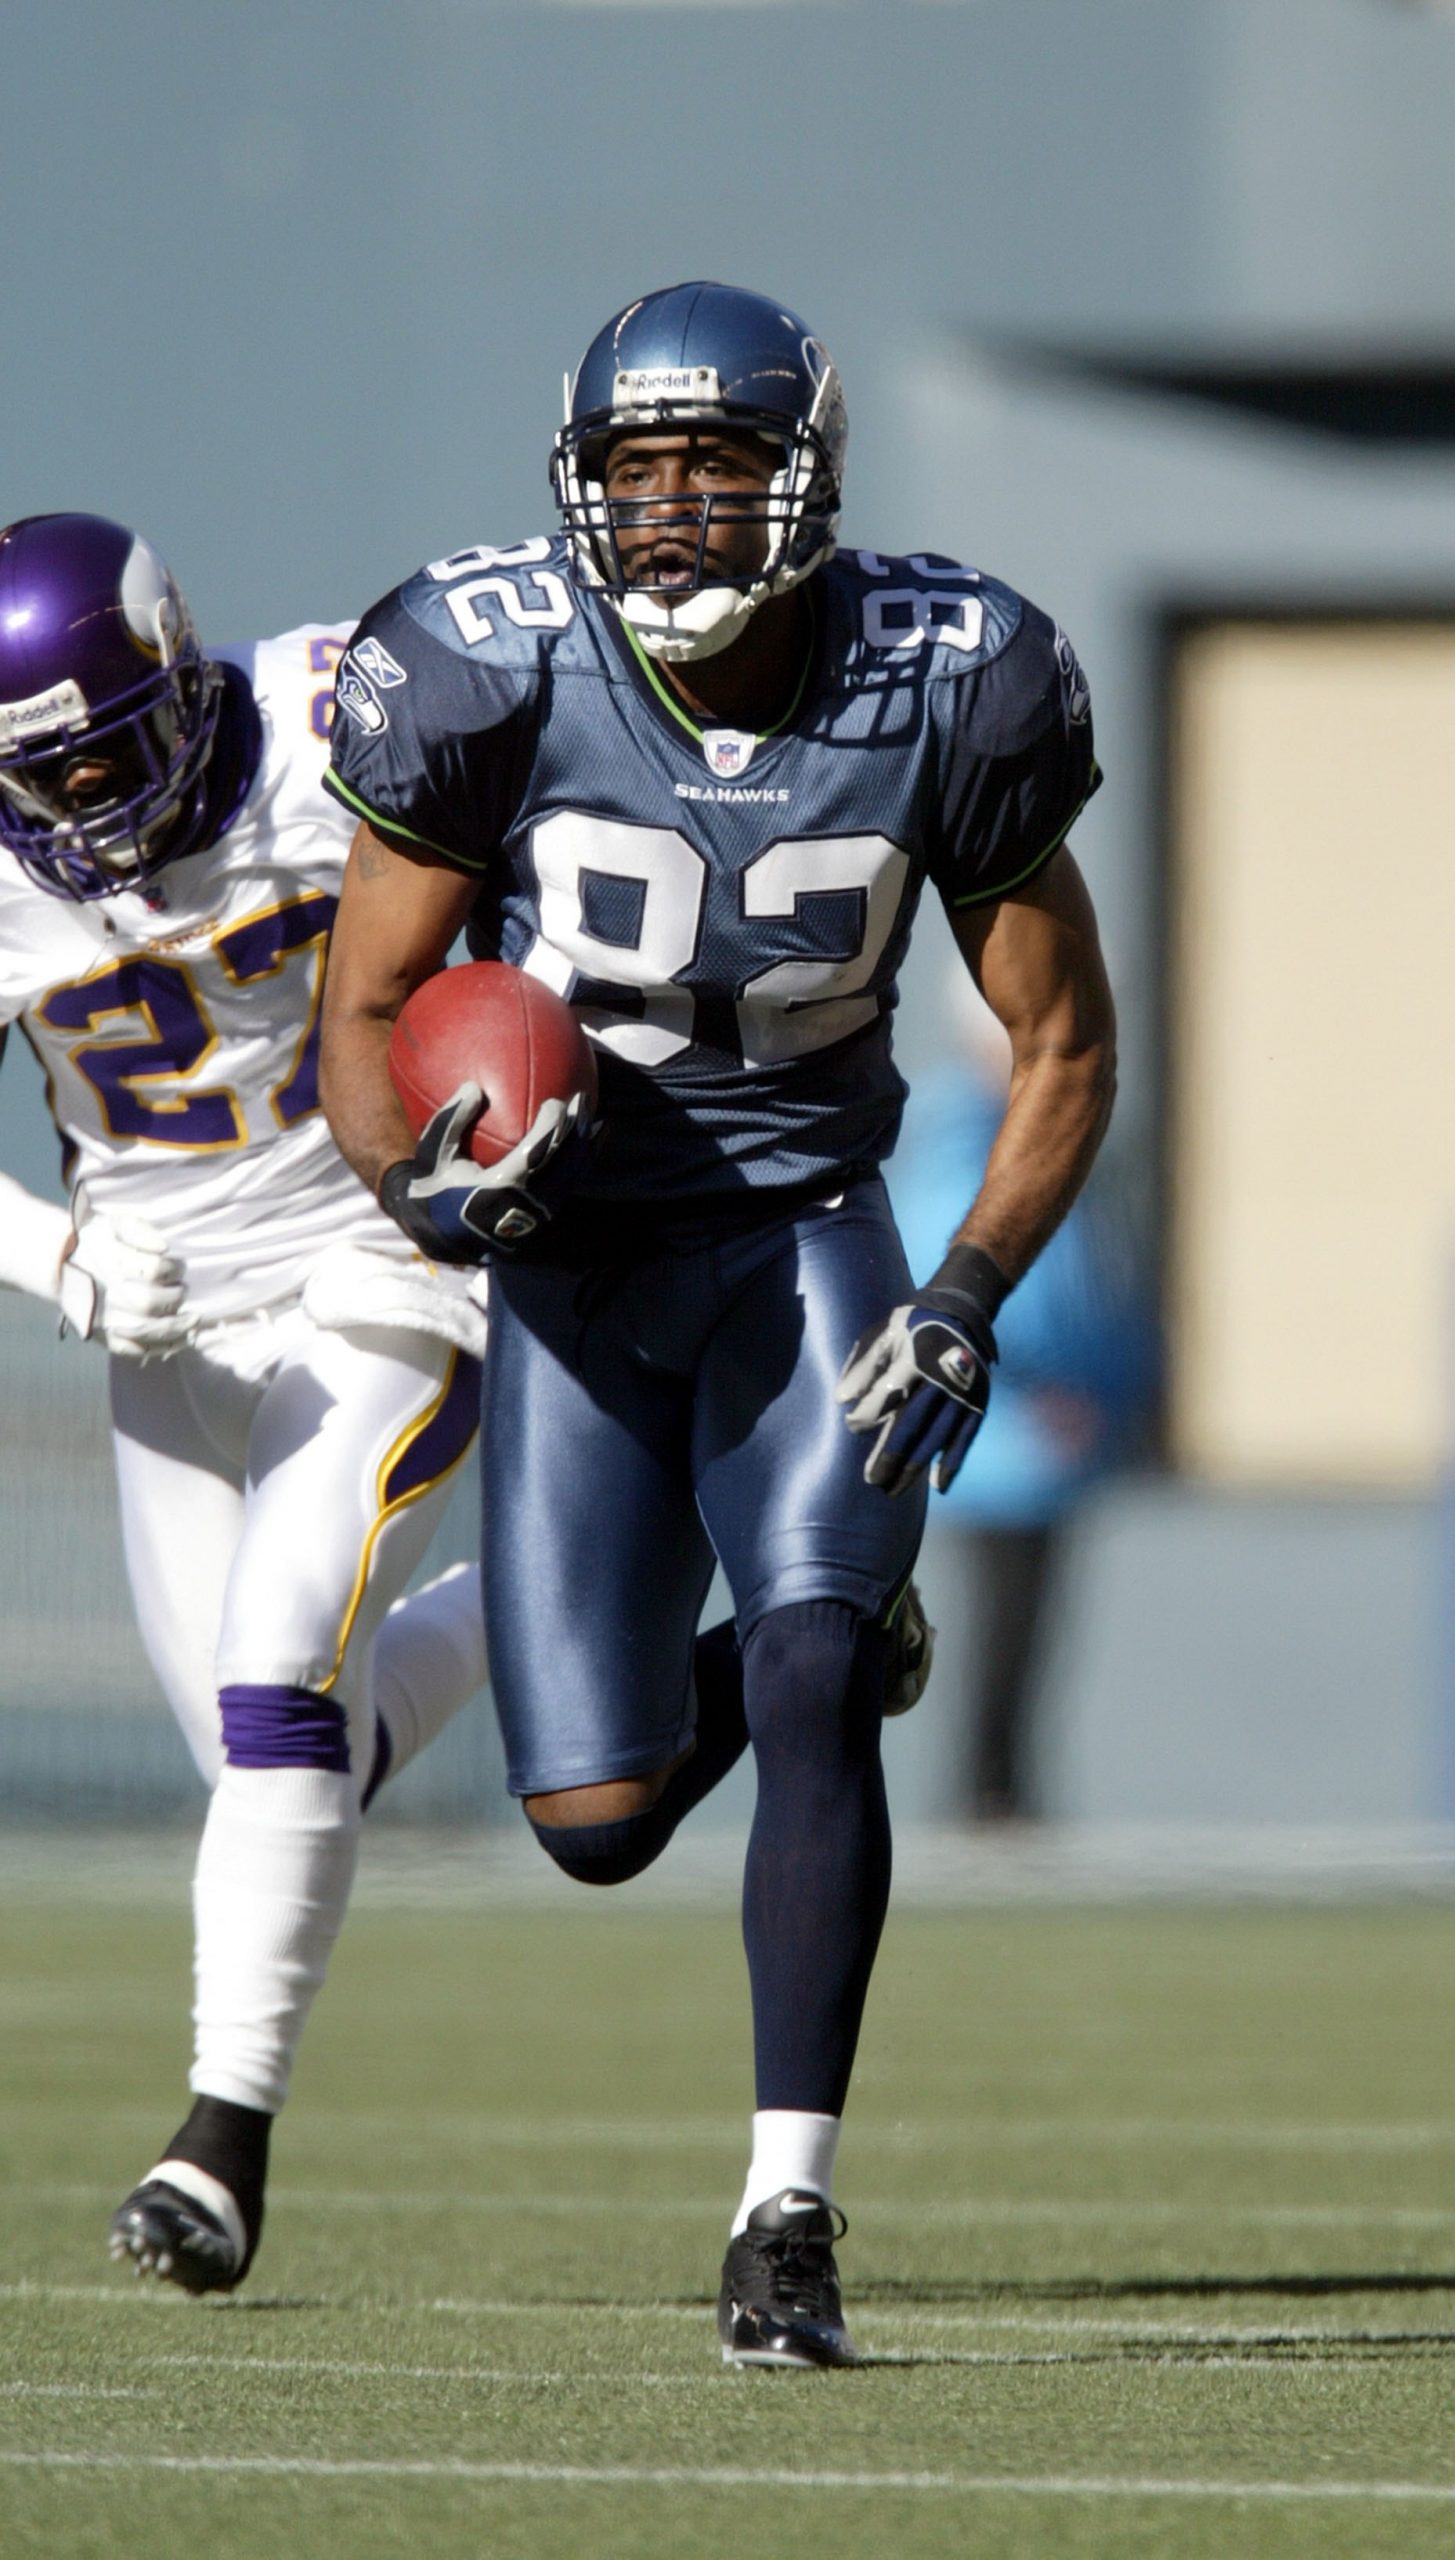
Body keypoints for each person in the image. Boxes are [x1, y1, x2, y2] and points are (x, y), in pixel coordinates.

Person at [318, 281, 1116, 2368]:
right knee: (588, 1823)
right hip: (570, 1267)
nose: (673, 512)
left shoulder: (954, 673)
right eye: (637, 472)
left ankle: (784, 2210)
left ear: (808, 478)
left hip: (801, 1230)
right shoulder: (481, 662)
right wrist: (423, 1183)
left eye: (719, 465)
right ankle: (833, 1646)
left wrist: (961, 1295)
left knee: (803, 1657)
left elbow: (1057, 1043)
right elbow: (365, 1010)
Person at [0, 512, 491, 2294]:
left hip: (378, 1272)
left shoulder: (325, 719)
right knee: (279, 1769)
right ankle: (588, 1616)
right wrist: (54, 1259)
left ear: (177, 672)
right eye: (27, 779)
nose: (76, 817)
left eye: (98, 757)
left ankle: (219, 2144)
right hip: (164, 1333)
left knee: (281, 1676)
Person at [889, 975, 1156, 1818]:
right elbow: (986, 1278)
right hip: (999, 1436)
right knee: (1001, 1644)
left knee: (1024, 1643)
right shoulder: (966, 1136)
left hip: (1031, 1436)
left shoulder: (998, 1130)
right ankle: (990, 1809)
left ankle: (1000, 1805)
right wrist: (1048, 1383)